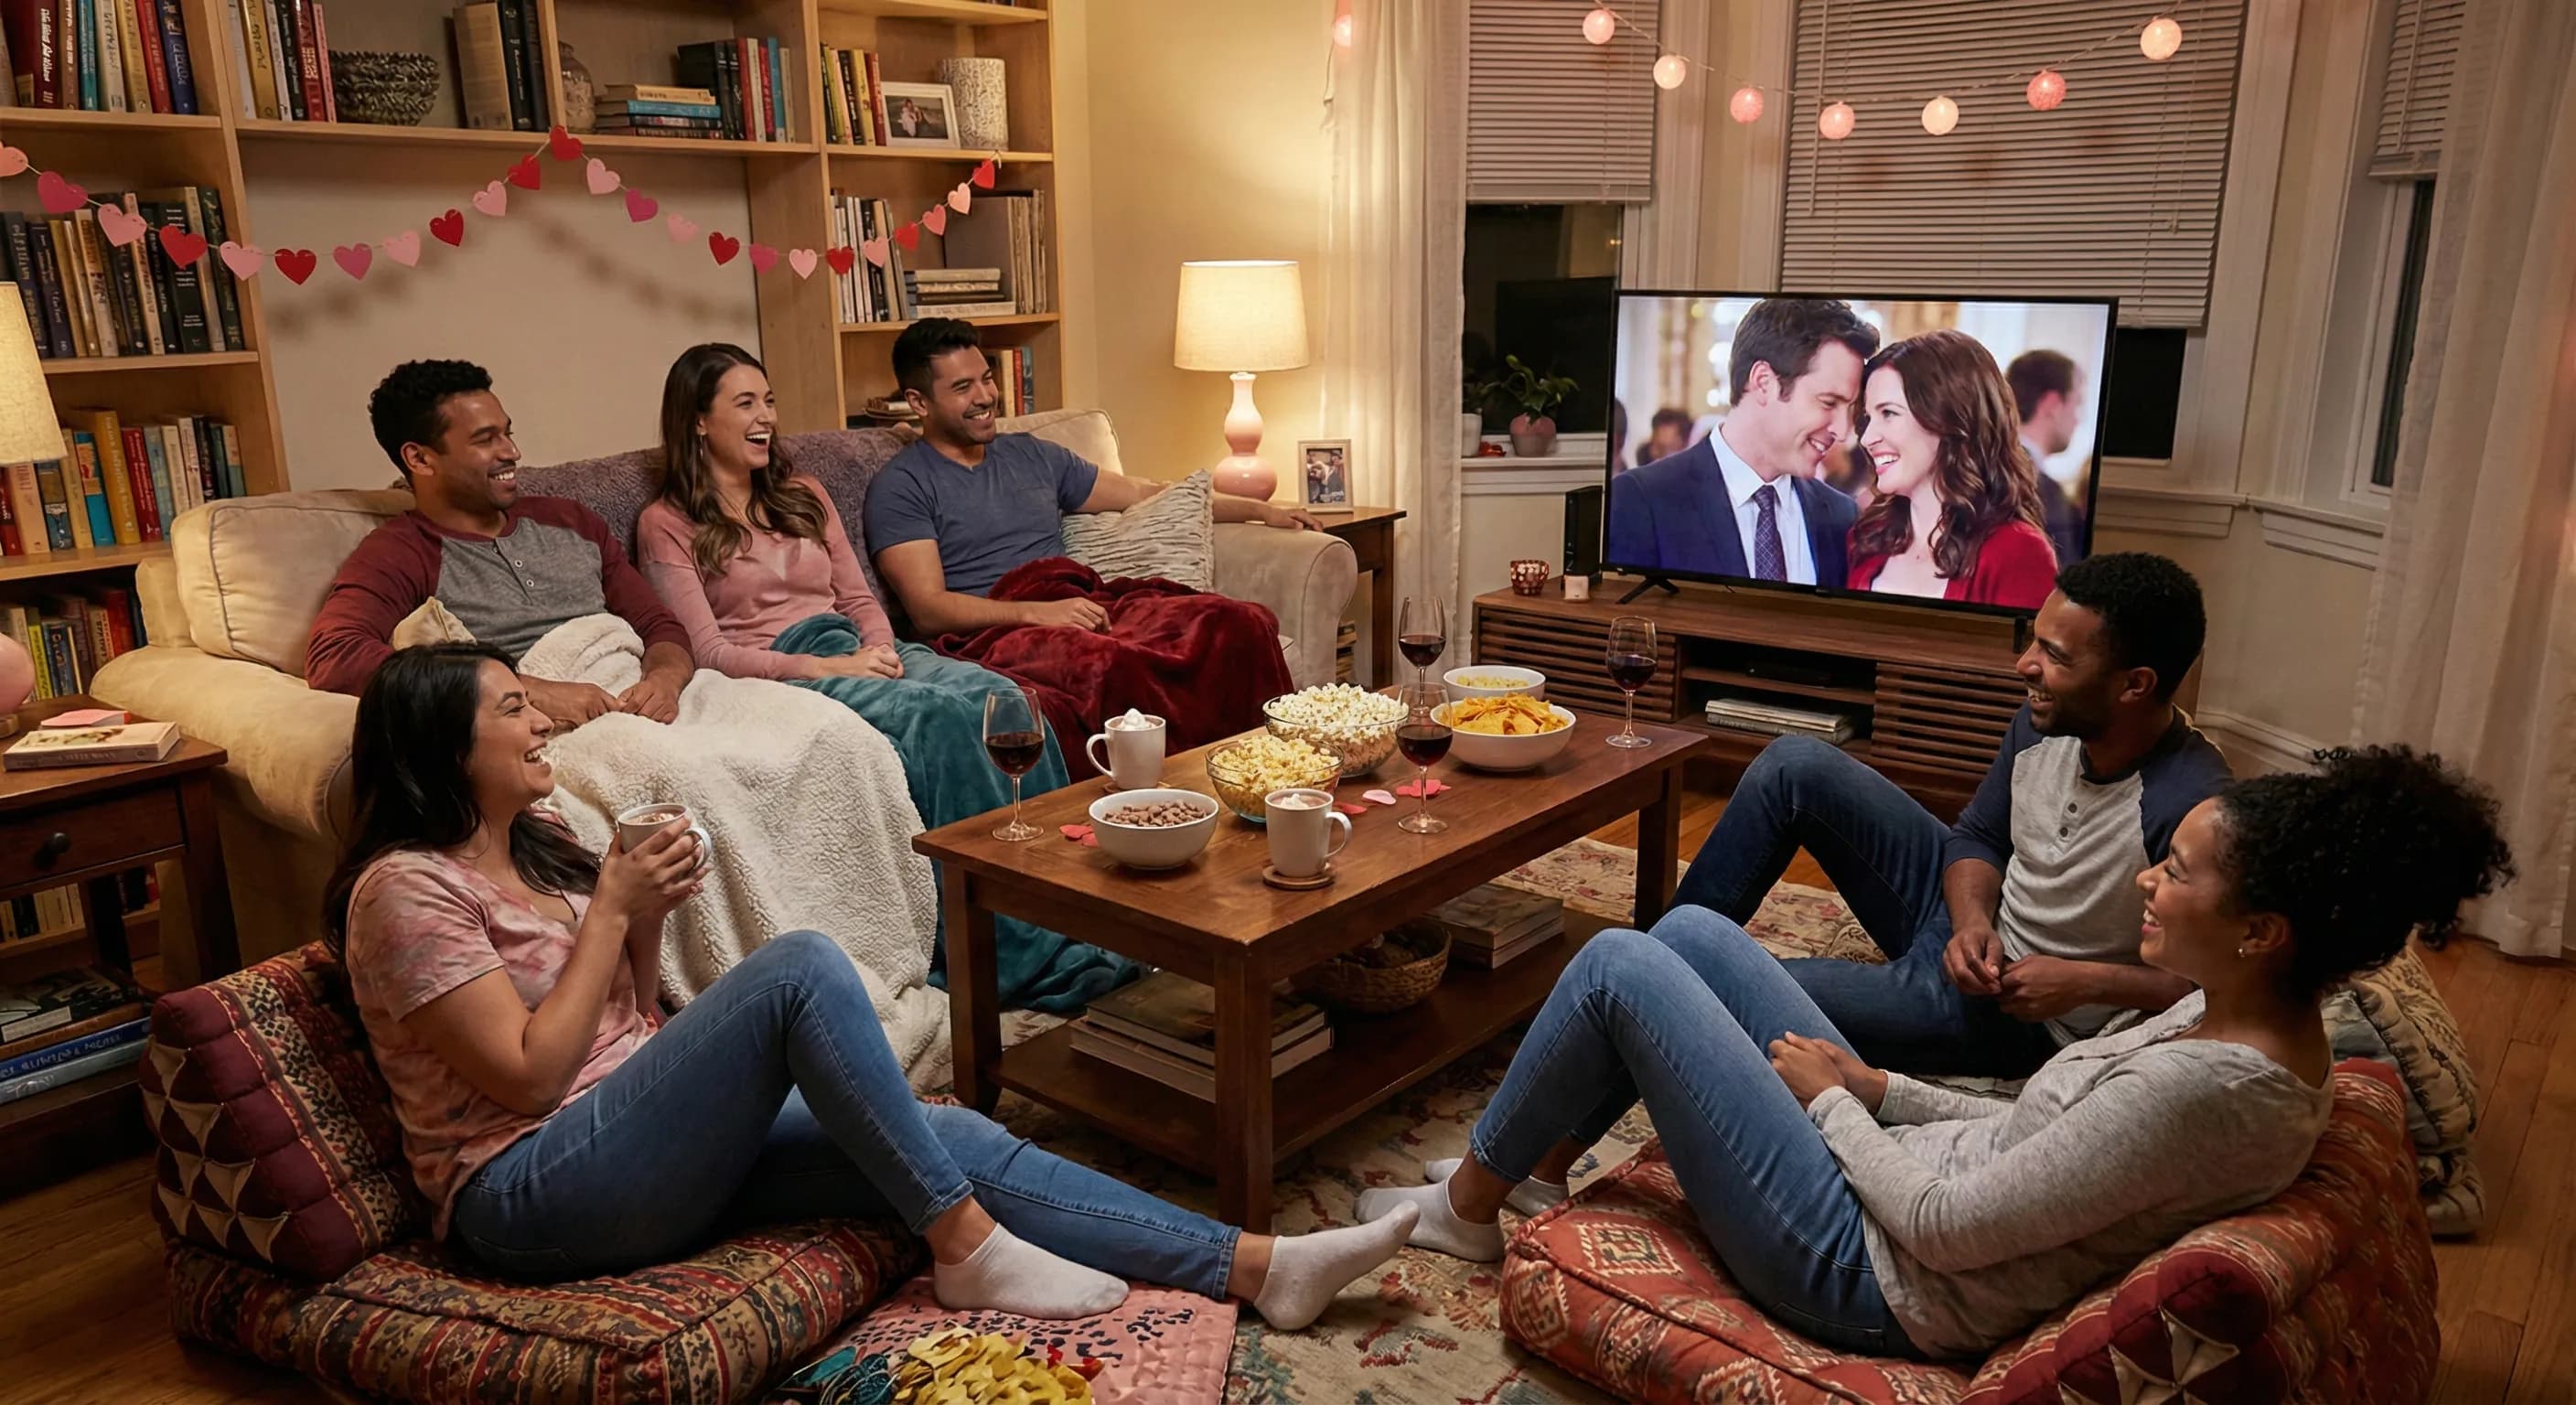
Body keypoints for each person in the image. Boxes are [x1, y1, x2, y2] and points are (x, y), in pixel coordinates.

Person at [327, 643, 1420, 1325]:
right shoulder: (403, 894)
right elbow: (525, 1082)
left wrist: (641, 911)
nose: (542, 721)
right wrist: (615, 909)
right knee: (800, 965)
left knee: (947, 1134)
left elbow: (632, 1020)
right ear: (438, 748)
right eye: (510, 708)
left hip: (631, 1142)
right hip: (530, 1194)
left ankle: (1258, 1265)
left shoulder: (540, 842)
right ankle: (967, 1250)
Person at [1358, 744, 2511, 1361]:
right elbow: (2027, 1134)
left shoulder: (2212, 1092)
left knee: (1621, 967)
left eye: (2179, 872)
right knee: (1695, 931)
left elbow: (1954, 1230)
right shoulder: (2230, 1009)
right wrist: (1880, 1085)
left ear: (2263, 930)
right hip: (1905, 1204)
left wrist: (1831, 1109)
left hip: (1869, 1277)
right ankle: (1533, 1167)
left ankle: (1467, 1206)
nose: (2148, 881)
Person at [634, 344, 1133, 1012]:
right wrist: (831, 665)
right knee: (937, 720)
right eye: (745, 404)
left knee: (1006, 700)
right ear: (698, 421)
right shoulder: (667, 523)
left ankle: (1070, 913)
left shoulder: (801, 494)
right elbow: (709, 651)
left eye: (770, 401)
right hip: (776, 672)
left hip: (858, 644)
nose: (765, 419)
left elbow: (860, 595)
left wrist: (879, 647)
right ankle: (1006, 956)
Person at [1675, 553, 2232, 1078]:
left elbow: (2218, 986)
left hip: (2019, 1016)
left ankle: (1660, 981)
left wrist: (2086, 983)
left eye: (2055, 657)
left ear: (2135, 684)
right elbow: (1979, 836)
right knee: (1792, 765)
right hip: (1974, 925)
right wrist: (1970, 923)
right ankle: (1662, 950)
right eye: (2034, 642)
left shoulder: (2195, 806)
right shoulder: (2048, 722)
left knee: (1727, 986)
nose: (2024, 665)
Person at [860, 318, 1315, 756]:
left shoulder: (1032, 454)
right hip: (993, 632)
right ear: (919, 403)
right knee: (1111, 665)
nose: (985, 397)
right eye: (963, 388)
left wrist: (1261, 511)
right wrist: (1038, 615)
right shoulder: (901, 487)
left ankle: (1266, 773)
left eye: (986, 378)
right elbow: (929, 609)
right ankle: (1162, 802)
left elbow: (1143, 493)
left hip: (1078, 599)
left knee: (1236, 621)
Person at [307, 359, 692, 719]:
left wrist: (665, 680)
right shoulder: (398, 552)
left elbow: (658, 624)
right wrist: (528, 692)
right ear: (420, 460)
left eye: (507, 433)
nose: (512, 452)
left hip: (635, 701)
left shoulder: (571, 520)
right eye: (485, 440)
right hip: (539, 728)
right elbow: (335, 656)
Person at [1604, 299, 1880, 585]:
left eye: (1849, 409)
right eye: (1828, 402)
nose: (1844, 431)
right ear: (1763, 382)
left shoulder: (1841, 516)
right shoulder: (1641, 500)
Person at [1847, 330, 2059, 610]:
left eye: (1889, 413)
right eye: (1869, 417)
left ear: (1950, 418)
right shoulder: (1867, 538)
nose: (1867, 438)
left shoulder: (2019, 552)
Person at [2007, 349, 2091, 570]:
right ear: (2052, 404)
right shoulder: (2044, 492)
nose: (2077, 420)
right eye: (2077, 404)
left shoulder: (1971, 473)